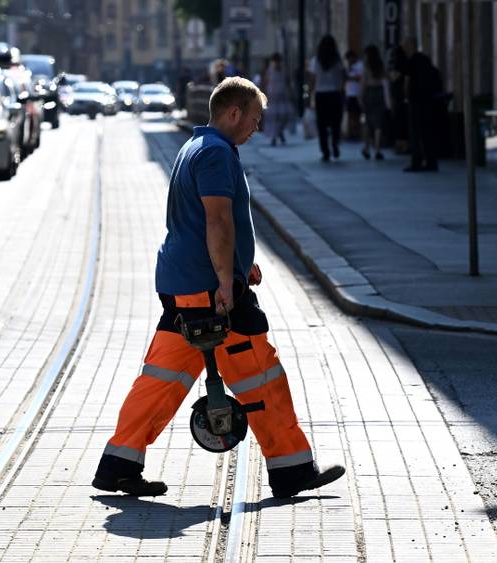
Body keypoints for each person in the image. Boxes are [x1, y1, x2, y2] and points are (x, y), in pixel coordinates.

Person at [92, 77, 346, 498]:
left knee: (161, 379)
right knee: (261, 376)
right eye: (254, 118)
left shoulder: (195, 147)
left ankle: (118, 463)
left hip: (185, 284)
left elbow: (201, 224)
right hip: (209, 291)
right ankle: (291, 469)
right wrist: (228, 279)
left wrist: (243, 264)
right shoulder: (215, 155)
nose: (257, 127)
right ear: (233, 113)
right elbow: (217, 220)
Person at [401, 37, 441, 172]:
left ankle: (416, 161)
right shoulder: (425, 59)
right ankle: (431, 161)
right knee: (428, 131)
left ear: (410, 45)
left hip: (415, 101)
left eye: (405, 45)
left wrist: (406, 97)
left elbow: (407, 81)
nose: (404, 49)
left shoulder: (410, 61)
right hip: (428, 100)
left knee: (415, 132)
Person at [307, 35, 345, 162]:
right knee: (336, 123)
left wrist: (309, 94)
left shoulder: (316, 60)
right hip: (335, 94)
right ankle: (334, 143)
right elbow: (342, 76)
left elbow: (312, 79)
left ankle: (325, 150)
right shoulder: (338, 60)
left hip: (321, 95)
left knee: (322, 124)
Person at [360, 45, 391, 160]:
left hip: (369, 94)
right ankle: (378, 149)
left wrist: (361, 97)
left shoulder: (366, 67)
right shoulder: (381, 66)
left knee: (368, 122)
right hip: (380, 93)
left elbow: (363, 84)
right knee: (379, 123)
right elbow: (387, 79)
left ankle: (367, 148)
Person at [261, 53, 293, 146]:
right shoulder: (269, 70)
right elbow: (265, 82)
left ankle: (279, 132)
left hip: (283, 96)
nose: (277, 63)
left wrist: (290, 93)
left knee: (284, 116)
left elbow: (288, 82)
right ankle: (275, 136)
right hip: (273, 97)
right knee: (274, 118)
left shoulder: (284, 70)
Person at [344, 50, 364, 140]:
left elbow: (360, 77)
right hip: (349, 93)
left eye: (350, 59)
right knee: (350, 115)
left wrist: (350, 78)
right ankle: (352, 132)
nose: (349, 61)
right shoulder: (349, 67)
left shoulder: (360, 65)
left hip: (358, 93)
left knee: (358, 115)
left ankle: (358, 133)